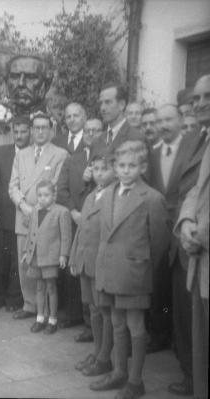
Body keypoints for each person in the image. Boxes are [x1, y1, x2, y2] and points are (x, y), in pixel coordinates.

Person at [91, 140, 169, 399]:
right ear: (114, 167)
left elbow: (159, 242)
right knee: (116, 321)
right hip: (110, 270)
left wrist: (140, 266)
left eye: (131, 166)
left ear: (142, 166)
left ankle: (136, 381)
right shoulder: (110, 192)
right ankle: (119, 372)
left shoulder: (152, 198)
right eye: (121, 165)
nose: (125, 170)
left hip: (134, 273)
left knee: (135, 324)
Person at [149, 104, 205, 393]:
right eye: (159, 120)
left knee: (188, 306)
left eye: (169, 119)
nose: (163, 125)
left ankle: (193, 375)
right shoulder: (153, 151)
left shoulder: (196, 149)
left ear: (181, 120)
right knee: (173, 303)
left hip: (186, 237)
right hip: (163, 238)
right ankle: (186, 368)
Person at [9, 112, 68, 320]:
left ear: (51, 130)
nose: (40, 131)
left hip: (45, 218)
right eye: (37, 128)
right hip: (24, 216)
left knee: (43, 262)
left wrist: (38, 210)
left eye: (44, 127)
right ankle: (29, 305)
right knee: (24, 262)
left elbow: (57, 186)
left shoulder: (60, 154)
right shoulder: (21, 154)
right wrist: (24, 206)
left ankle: (44, 311)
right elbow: (13, 186)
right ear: (31, 130)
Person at [174, 74, 210, 399]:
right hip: (199, 257)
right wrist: (186, 221)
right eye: (196, 98)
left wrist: (201, 232)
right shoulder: (204, 137)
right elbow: (196, 190)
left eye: (207, 97)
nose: (199, 104)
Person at [69, 153, 116, 376]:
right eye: (95, 169)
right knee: (93, 310)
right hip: (85, 262)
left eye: (104, 168)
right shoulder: (90, 197)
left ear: (114, 170)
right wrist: (73, 256)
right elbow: (81, 230)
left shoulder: (114, 196)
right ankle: (97, 352)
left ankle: (105, 356)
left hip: (102, 265)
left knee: (104, 311)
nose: (99, 173)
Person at [56, 112, 95, 331]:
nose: (90, 135)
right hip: (75, 218)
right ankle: (74, 315)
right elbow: (61, 189)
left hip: (97, 222)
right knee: (73, 268)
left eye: (95, 131)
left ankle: (92, 323)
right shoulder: (72, 159)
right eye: (87, 131)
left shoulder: (106, 159)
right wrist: (73, 212)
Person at [0, 116, 30, 311]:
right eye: (17, 132)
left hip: (23, 215)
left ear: (29, 132)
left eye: (23, 132)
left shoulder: (31, 154)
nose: (19, 135)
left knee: (17, 259)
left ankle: (14, 299)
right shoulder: (0, 152)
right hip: (2, 213)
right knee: (0, 258)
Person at [22, 180, 72, 334]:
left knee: (51, 287)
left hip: (50, 257)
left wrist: (63, 254)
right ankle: (40, 318)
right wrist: (26, 252)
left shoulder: (62, 212)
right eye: (39, 195)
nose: (42, 198)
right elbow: (31, 232)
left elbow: (66, 236)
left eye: (46, 195)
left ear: (54, 195)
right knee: (39, 286)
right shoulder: (35, 210)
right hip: (36, 256)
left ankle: (52, 319)